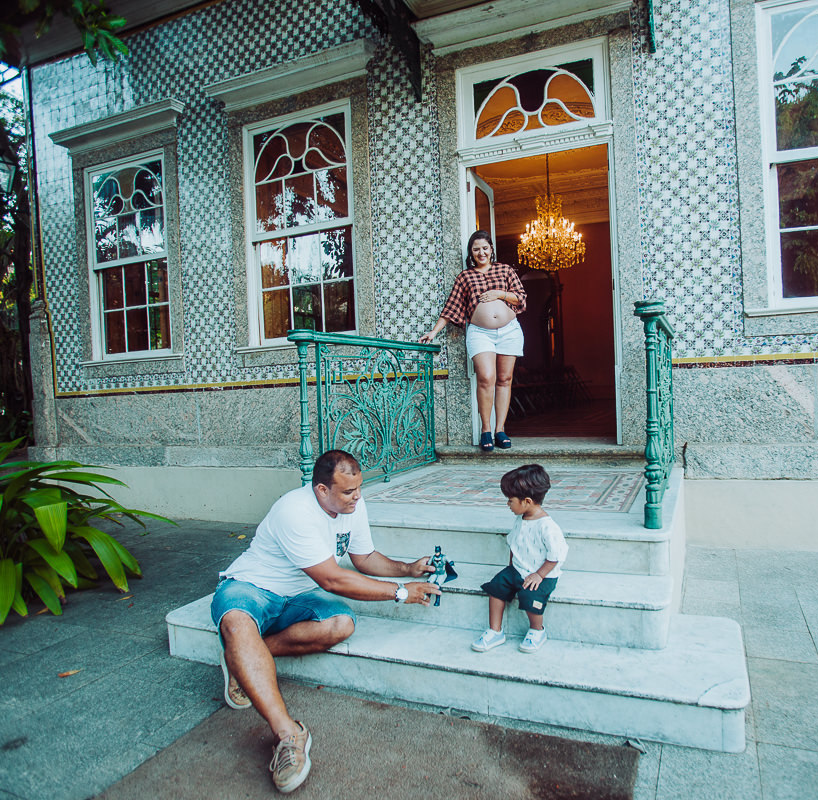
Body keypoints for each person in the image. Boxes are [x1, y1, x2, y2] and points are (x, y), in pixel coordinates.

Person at [211, 449, 440, 793]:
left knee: (341, 624)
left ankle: (241, 659)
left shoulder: (351, 505)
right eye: (348, 492)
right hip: (253, 587)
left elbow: (363, 558)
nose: (357, 497)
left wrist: (407, 569)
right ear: (321, 490)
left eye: (359, 488)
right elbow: (333, 580)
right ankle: (289, 735)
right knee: (236, 624)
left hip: (300, 597)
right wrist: (400, 592)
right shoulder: (294, 510)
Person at [419, 230, 526, 453]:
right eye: (476, 249)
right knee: (486, 377)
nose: (481, 252)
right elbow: (451, 308)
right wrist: (433, 332)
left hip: (509, 331)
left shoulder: (505, 270)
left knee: (505, 379)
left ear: (491, 249)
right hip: (481, 332)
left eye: (485, 248)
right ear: (471, 252)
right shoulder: (465, 276)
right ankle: (485, 429)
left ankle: (500, 430)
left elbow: (521, 298)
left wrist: (499, 293)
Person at [472, 464, 568, 654]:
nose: (508, 504)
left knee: (531, 596)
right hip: (518, 569)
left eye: (510, 500)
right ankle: (495, 631)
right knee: (496, 586)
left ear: (527, 501)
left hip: (542, 574)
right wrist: (510, 568)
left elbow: (556, 555)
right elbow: (514, 544)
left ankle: (537, 630)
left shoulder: (547, 527)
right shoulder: (521, 518)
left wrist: (539, 575)